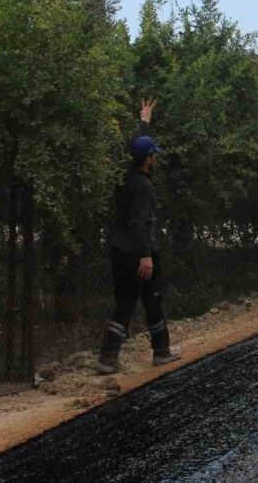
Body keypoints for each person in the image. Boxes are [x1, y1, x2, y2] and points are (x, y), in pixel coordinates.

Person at [96, 99, 180, 374]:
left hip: (120, 252)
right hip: (139, 255)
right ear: (148, 159)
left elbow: (135, 145)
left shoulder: (124, 176)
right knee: (152, 299)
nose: (155, 158)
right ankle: (162, 353)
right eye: (153, 154)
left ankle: (107, 358)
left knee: (125, 303)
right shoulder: (143, 186)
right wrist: (145, 255)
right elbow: (138, 223)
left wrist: (145, 121)